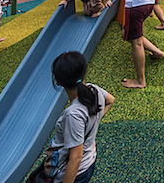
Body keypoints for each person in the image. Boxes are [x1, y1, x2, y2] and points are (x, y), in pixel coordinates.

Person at [45, 51, 115, 183]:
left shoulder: (73, 114)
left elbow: (76, 157)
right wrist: (92, 125)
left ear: (58, 82)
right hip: (90, 161)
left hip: (73, 173)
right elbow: (110, 100)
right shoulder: (94, 89)